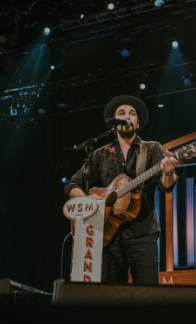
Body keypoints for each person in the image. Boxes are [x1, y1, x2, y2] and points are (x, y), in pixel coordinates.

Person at [64, 95, 178, 284]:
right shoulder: (100, 153)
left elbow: (166, 186)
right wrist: (90, 203)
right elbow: (72, 185)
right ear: (114, 123)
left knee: (148, 296)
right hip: (108, 235)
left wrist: (169, 172)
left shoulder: (151, 149)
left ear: (138, 122)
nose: (127, 116)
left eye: (132, 113)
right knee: (110, 298)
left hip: (143, 234)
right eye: (122, 113)